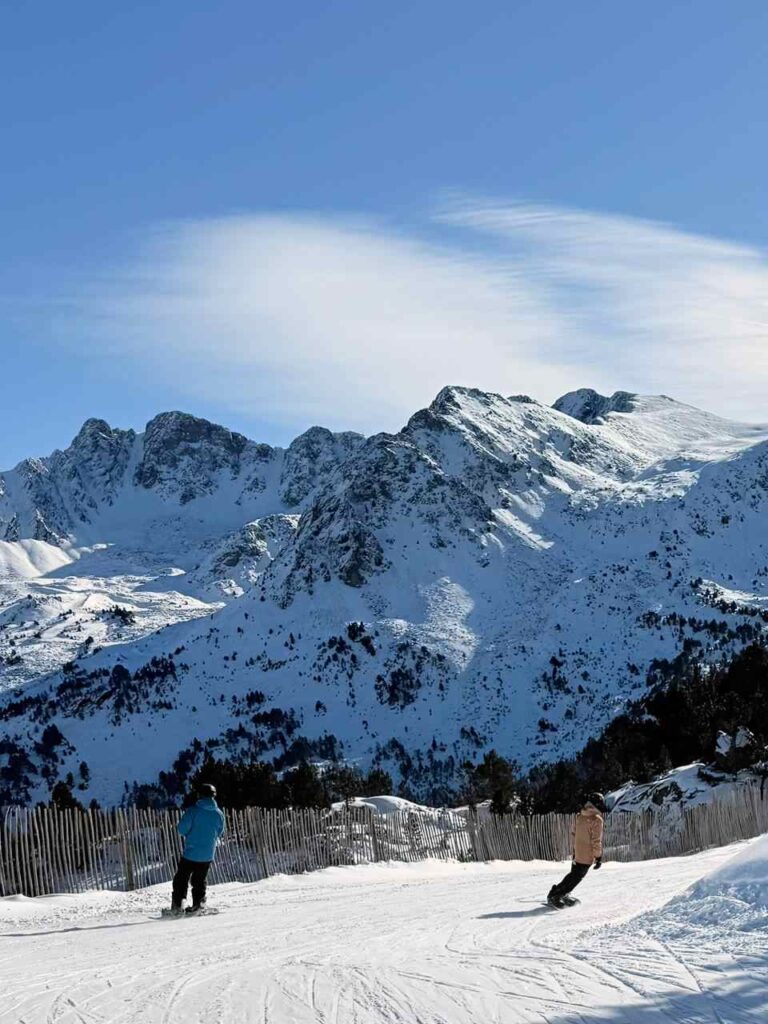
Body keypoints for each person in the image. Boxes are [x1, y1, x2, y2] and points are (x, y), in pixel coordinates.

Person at [168, 782, 225, 916]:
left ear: (200, 795)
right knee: (199, 880)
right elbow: (220, 832)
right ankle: (199, 904)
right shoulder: (219, 814)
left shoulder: (193, 811)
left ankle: (178, 904)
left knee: (181, 879)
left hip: (191, 852)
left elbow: (181, 829)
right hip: (208, 854)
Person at [547, 792, 607, 908]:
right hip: (586, 855)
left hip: (577, 852)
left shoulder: (580, 815)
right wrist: (598, 857)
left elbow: (574, 832)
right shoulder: (596, 820)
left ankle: (559, 893)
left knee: (573, 875)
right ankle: (557, 895)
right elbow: (596, 841)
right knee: (576, 877)